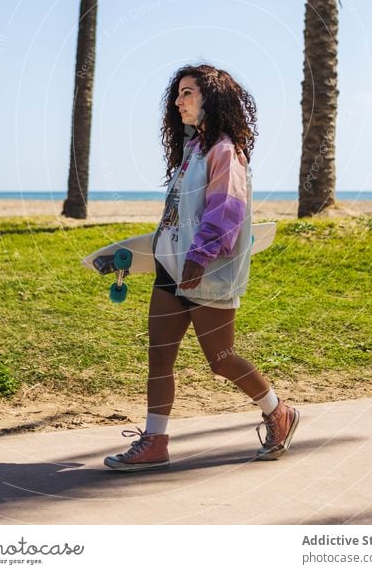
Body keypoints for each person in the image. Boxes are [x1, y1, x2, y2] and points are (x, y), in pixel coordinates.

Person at [104, 64, 299, 471]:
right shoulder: (192, 149)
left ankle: (277, 411)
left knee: (222, 359)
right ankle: (155, 440)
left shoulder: (224, 150)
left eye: (187, 93)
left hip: (205, 270)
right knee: (159, 355)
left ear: (211, 98)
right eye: (177, 94)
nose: (178, 102)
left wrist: (200, 254)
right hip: (170, 269)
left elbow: (226, 209)